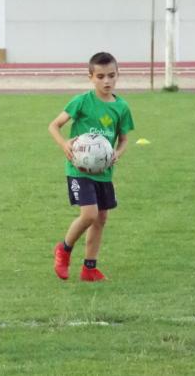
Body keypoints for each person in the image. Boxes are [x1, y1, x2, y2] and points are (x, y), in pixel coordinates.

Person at [48, 52, 135, 282]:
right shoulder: (82, 101)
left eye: (111, 76)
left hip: (104, 172)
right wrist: (64, 143)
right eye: (100, 76)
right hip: (79, 169)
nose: (106, 81)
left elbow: (124, 139)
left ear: (118, 75)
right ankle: (64, 249)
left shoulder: (122, 107)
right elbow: (54, 126)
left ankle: (89, 268)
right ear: (91, 77)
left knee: (101, 219)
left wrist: (117, 152)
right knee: (89, 214)